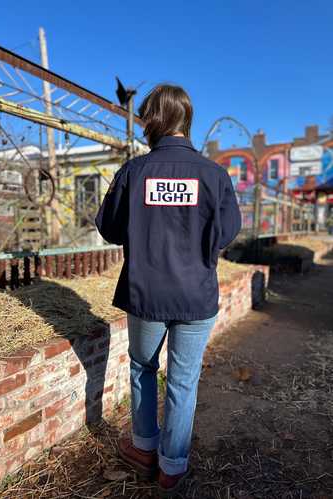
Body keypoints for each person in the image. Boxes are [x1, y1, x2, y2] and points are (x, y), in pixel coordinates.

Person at [95, 84, 242, 496]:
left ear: (151, 120)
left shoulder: (133, 172)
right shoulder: (215, 175)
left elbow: (108, 227)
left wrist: (144, 226)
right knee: (183, 381)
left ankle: (144, 447)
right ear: (186, 120)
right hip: (197, 295)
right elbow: (228, 232)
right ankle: (172, 466)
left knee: (143, 367)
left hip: (146, 293)